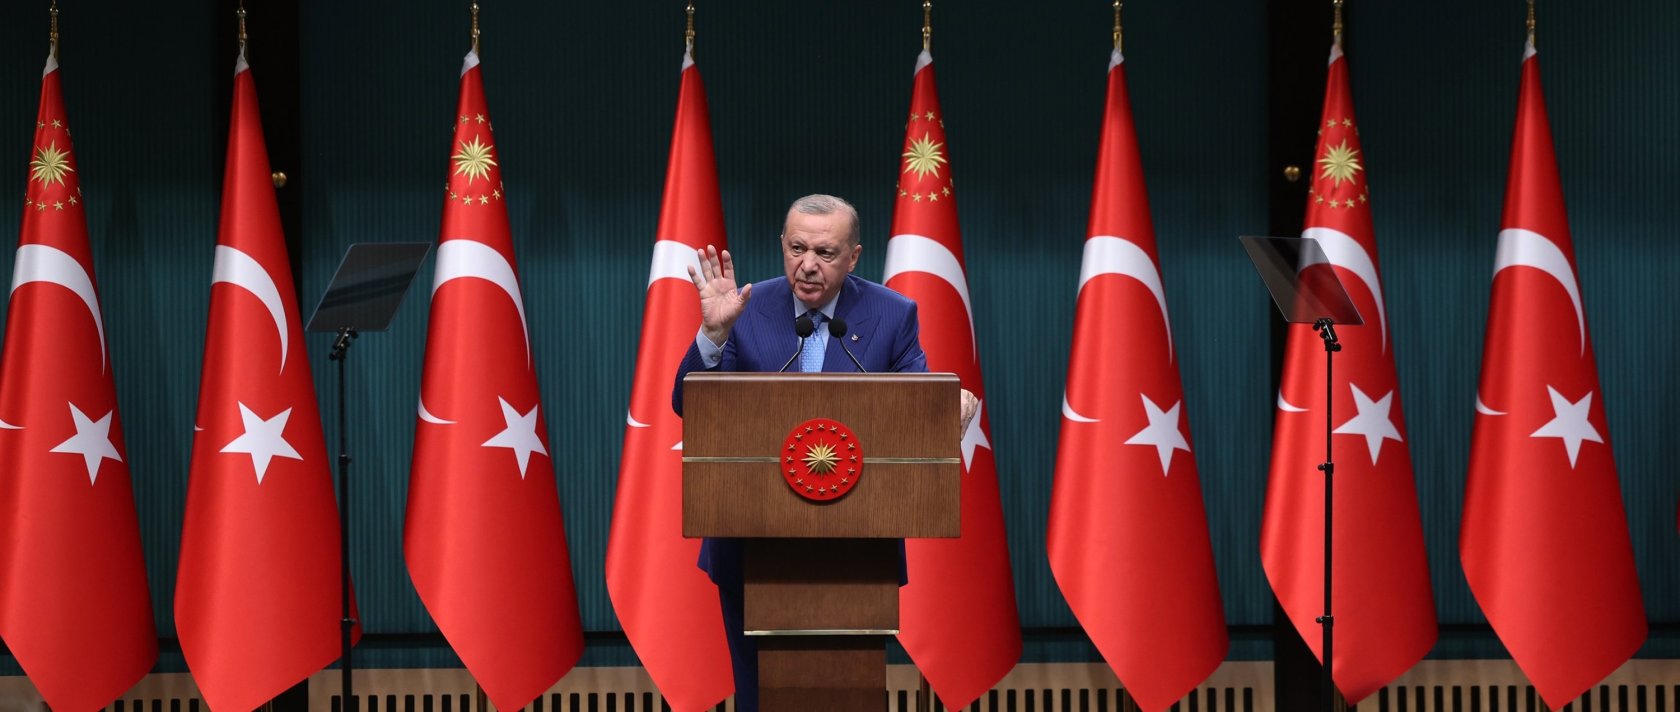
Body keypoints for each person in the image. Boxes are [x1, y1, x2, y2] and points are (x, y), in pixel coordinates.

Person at [670, 194, 975, 712]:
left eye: (826, 252)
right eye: (797, 248)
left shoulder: (891, 314)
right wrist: (713, 334)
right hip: (751, 545)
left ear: (854, 256)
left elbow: (917, 412)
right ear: (782, 247)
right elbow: (689, 405)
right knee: (757, 697)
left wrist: (947, 413)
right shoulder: (743, 307)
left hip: (857, 554)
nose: (807, 264)